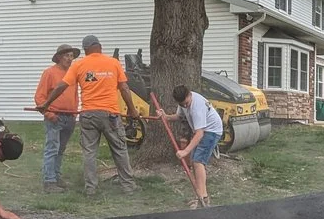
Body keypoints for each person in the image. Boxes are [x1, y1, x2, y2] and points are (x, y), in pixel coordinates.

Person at [38, 35, 139, 196]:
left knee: (89, 152)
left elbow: (61, 86)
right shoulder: (113, 63)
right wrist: (132, 110)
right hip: (111, 114)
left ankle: (91, 188)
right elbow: (125, 88)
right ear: (100, 47)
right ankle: (128, 186)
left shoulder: (79, 65)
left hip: (88, 115)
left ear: (85, 50)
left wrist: (46, 104)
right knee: (119, 150)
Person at [157, 85, 223, 208]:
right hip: (202, 130)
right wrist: (166, 116)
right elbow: (178, 116)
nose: (185, 106)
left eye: (186, 103)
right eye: (182, 104)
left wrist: (185, 151)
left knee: (198, 161)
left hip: (212, 131)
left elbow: (200, 133)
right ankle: (200, 196)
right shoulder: (183, 102)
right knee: (195, 162)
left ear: (189, 95)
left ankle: (203, 198)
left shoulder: (197, 106)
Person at [34, 43, 80, 193]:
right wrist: (49, 114)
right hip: (55, 117)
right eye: (66, 55)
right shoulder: (49, 73)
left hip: (69, 117)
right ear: (59, 57)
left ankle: (56, 176)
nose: (69, 58)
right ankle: (49, 181)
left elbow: (74, 95)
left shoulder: (72, 75)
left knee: (61, 149)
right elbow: (40, 97)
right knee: (52, 148)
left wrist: (74, 112)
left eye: (71, 56)